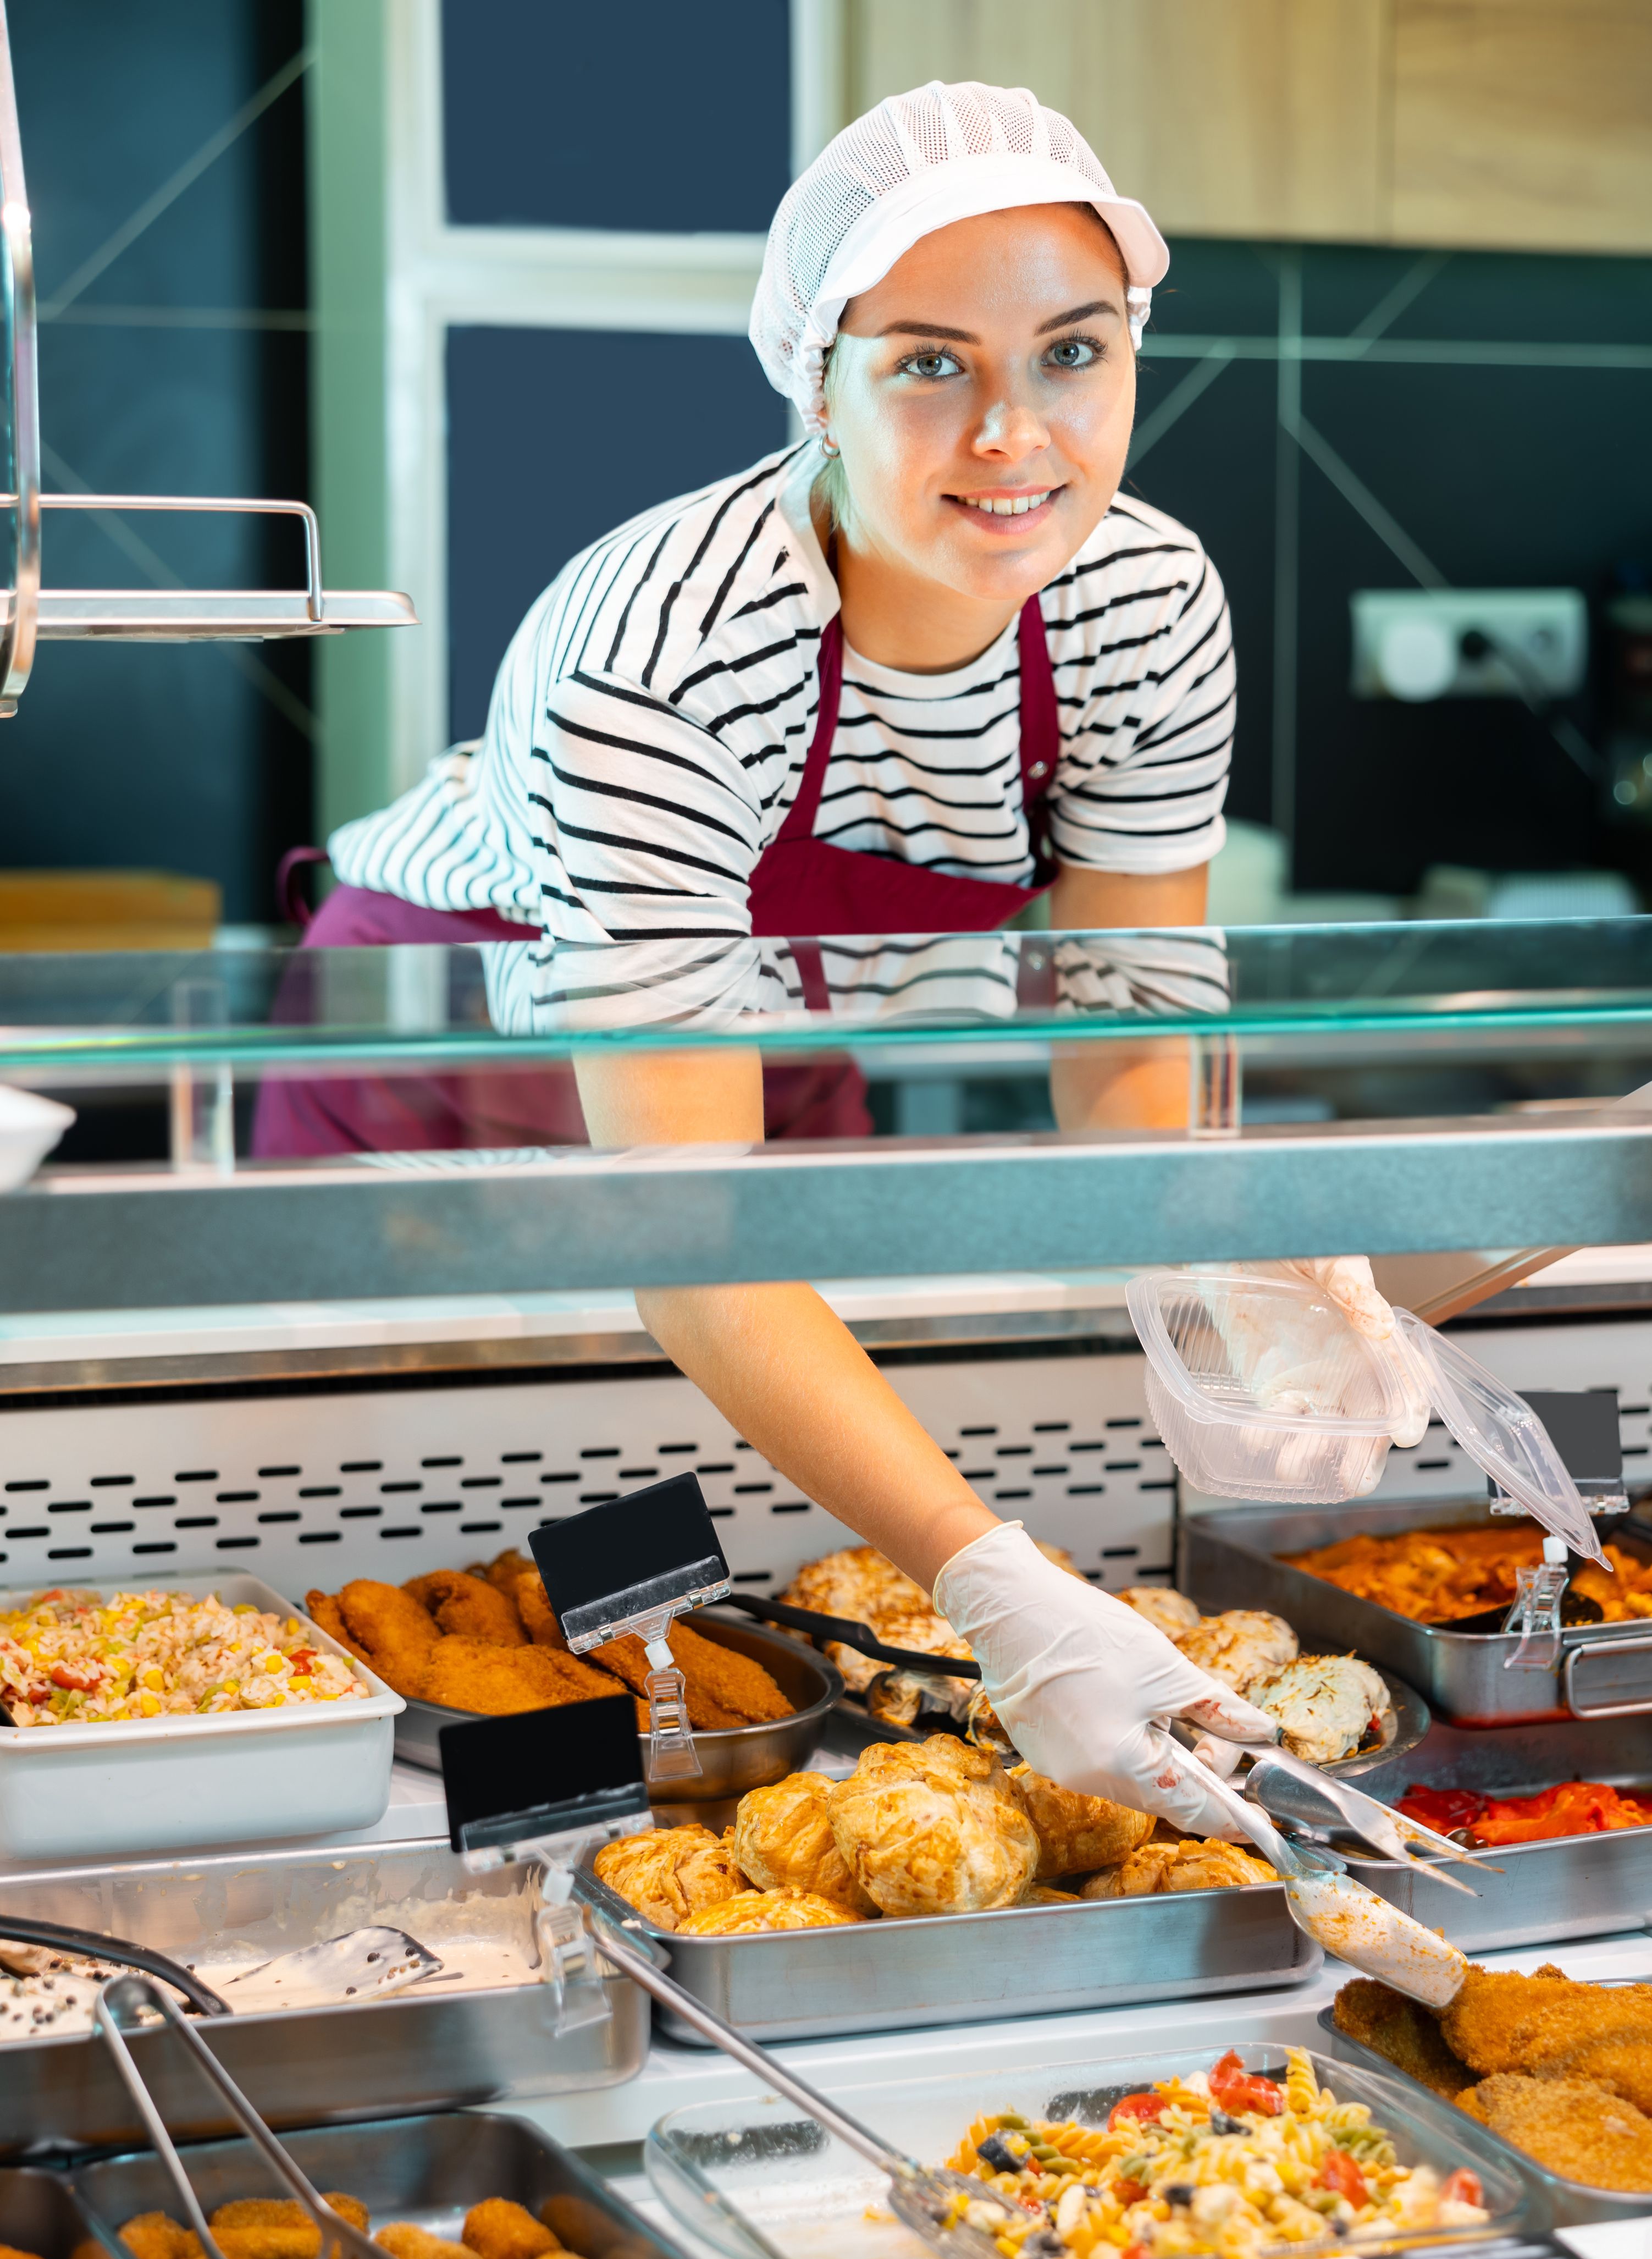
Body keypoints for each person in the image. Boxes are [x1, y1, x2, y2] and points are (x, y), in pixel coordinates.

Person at [279, 82, 1397, 1830]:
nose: (1017, 438)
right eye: (931, 364)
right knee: (400, 1502)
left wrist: (1224, 1289)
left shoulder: (1151, 603)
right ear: (818, 378)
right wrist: (997, 1586)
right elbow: (682, 1226)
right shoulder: (650, 646)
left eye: (1075, 354)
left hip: (781, 1024)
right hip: (453, 1043)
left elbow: (1123, 1031)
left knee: (718, 1489)